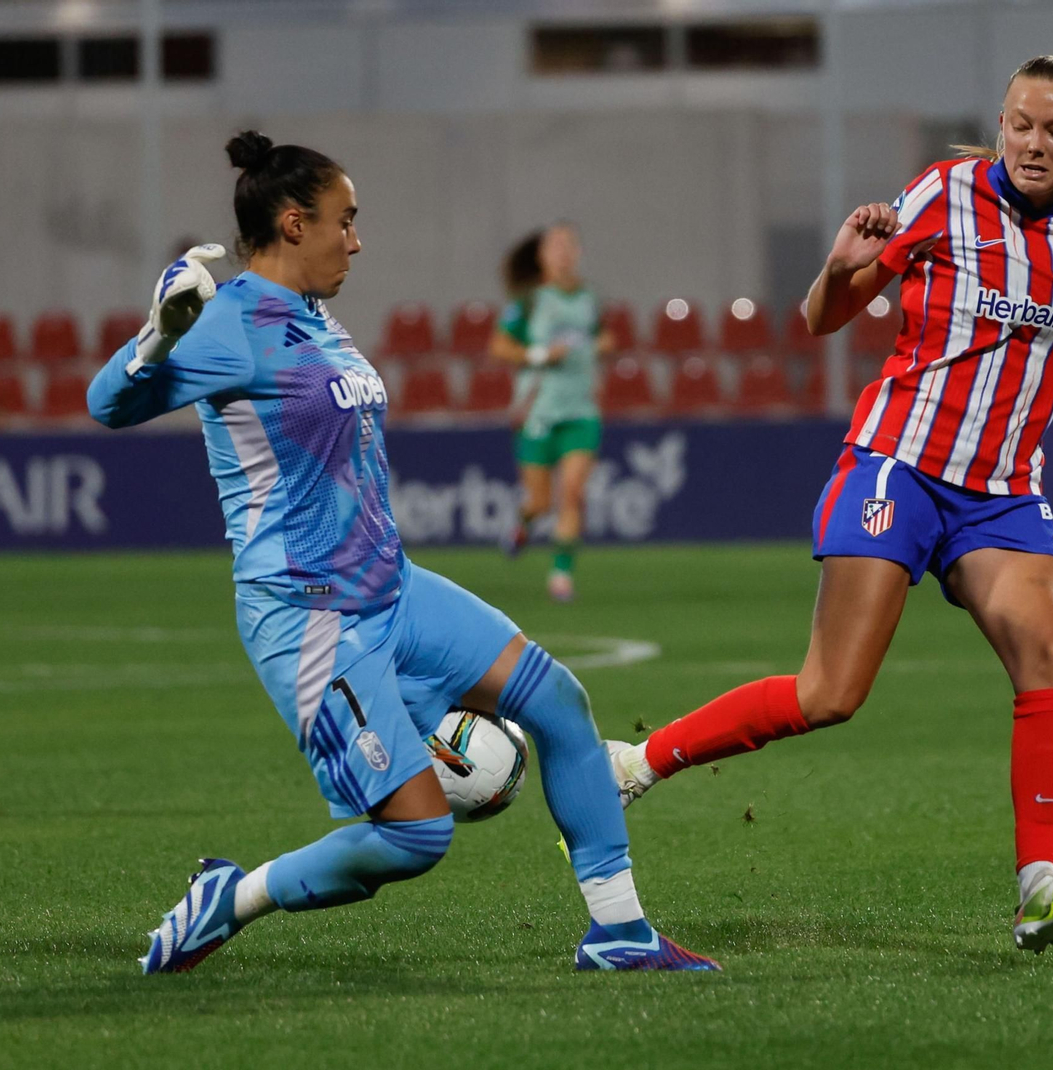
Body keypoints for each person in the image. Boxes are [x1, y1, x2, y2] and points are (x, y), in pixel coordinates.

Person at [609, 55, 1053, 954]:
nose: (1032, 142)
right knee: (830, 694)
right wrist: (839, 266)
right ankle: (635, 764)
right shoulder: (942, 195)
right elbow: (824, 317)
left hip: (1005, 494)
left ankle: (1035, 887)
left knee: (1047, 653)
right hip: (896, 469)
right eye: (1020, 123)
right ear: (1003, 119)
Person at [88, 130, 717, 974]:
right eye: (344, 221)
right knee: (417, 835)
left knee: (561, 704)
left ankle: (620, 933)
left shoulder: (314, 312)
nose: (357, 238)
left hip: (394, 591)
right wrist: (157, 338)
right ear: (292, 223)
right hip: (310, 617)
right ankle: (231, 898)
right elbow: (107, 405)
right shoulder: (228, 323)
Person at [488, 223, 615, 602]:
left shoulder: (590, 298)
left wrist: (599, 346)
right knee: (540, 502)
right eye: (555, 246)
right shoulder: (529, 302)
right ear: (542, 256)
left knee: (572, 493)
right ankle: (522, 523)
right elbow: (499, 347)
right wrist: (542, 355)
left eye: (568, 245)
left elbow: (606, 336)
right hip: (538, 411)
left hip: (581, 410)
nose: (563, 252)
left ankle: (561, 575)